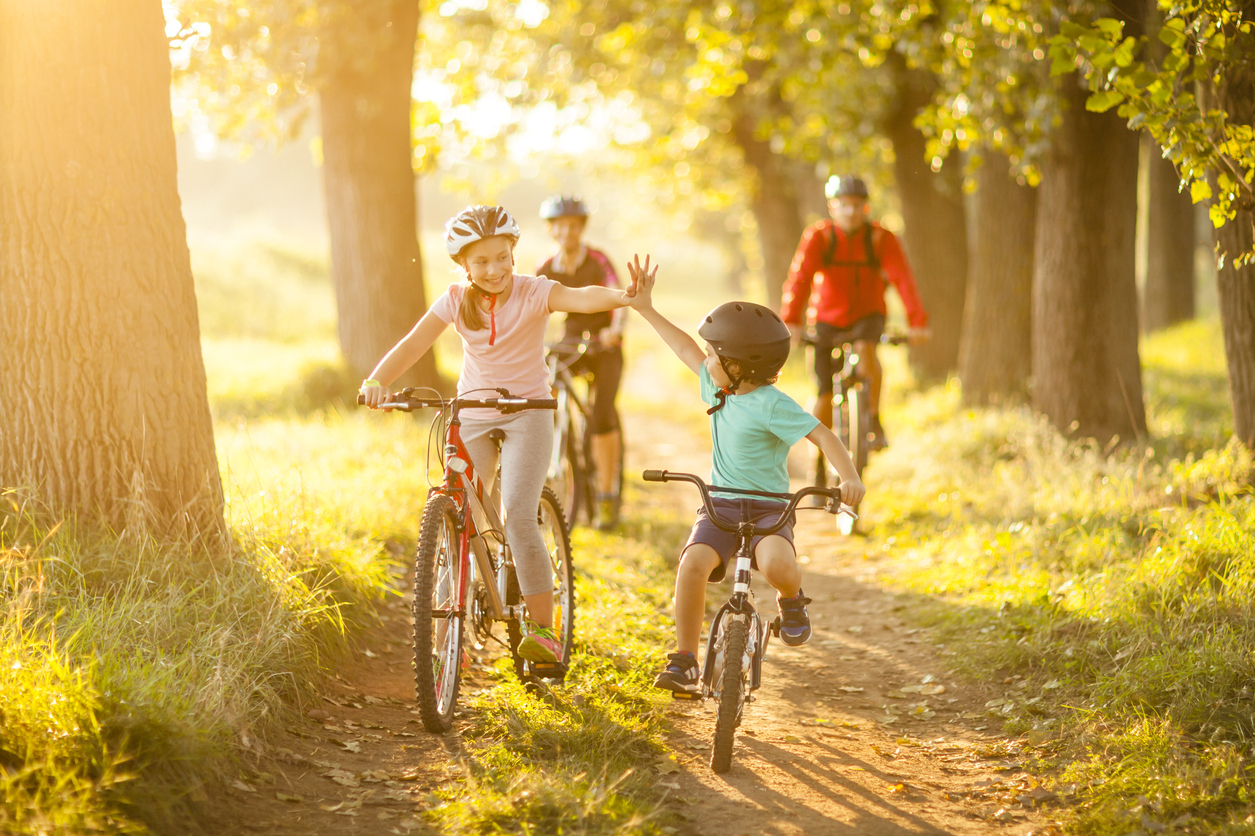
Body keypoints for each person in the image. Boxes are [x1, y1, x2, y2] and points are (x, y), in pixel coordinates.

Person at [360, 205, 638, 665]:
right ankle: (452, 626)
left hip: (528, 412)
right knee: (461, 511)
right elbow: (413, 343)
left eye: (501, 257)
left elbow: (581, 297)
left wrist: (624, 297)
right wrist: (376, 380)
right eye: (481, 262)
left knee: (518, 518)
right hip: (473, 412)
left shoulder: (533, 292)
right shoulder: (454, 300)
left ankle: (545, 630)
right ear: (464, 266)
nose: (493, 270)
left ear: (514, 254)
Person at [624, 254, 866, 696]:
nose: (706, 359)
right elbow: (682, 347)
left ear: (740, 366)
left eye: (714, 354)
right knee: (692, 563)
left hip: (771, 509)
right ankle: (685, 660)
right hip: (720, 502)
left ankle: (792, 601)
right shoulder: (718, 385)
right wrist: (646, 308)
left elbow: (825, 436)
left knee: (778, 566)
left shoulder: (773, 404)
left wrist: (848, 476)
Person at [780, 175, 930, 452]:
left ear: (866, 207)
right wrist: (791, 320)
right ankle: (819, 458)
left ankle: (872, 420)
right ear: (832, 206)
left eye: (857, 205)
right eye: (844, 205)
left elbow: (903, 279)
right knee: (823, 394)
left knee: (866, 352)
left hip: (868, 314)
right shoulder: (819, 237)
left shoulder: (881, 238)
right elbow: (799, 279)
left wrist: (917, 322)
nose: (851, 211)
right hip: (826, 317)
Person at [536, 195, 626, 531]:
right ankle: (560, 443)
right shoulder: (545, 267)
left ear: (581, 228)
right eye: (559, 226)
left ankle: (606, 495)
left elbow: (619, 298)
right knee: (542, 390)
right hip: (570, 342)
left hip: (604, 344)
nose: (566, 232)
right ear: (551, 230)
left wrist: (615, 331)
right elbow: (532, 308)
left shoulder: (599, 260)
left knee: (602, 417)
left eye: (572, 226)